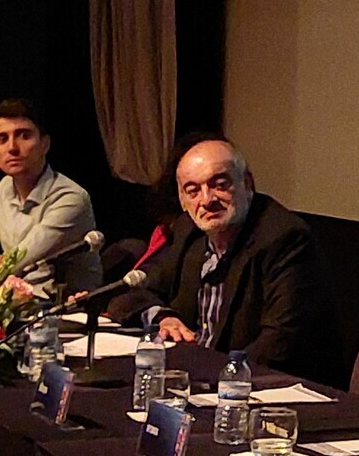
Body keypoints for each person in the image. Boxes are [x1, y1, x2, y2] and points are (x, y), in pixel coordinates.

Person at [129, 138, 344, 386]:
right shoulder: (190, 232)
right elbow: (133, 291)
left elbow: (280, 343)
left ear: (247, 183)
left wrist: (210, 380)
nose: (206, 200)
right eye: (193, 191)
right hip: (200, 377)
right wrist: (163, 317)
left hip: (267, 387)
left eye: (220, 185)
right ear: (182, 200)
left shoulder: (284, 238)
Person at [0, 98, 100, 297]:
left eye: (24, 136)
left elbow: (18, 260)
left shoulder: (71, 198)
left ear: (45, 144)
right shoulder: (4, 188)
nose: (12, 147)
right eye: (2, 139)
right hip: (17, 300)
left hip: (65, 306)